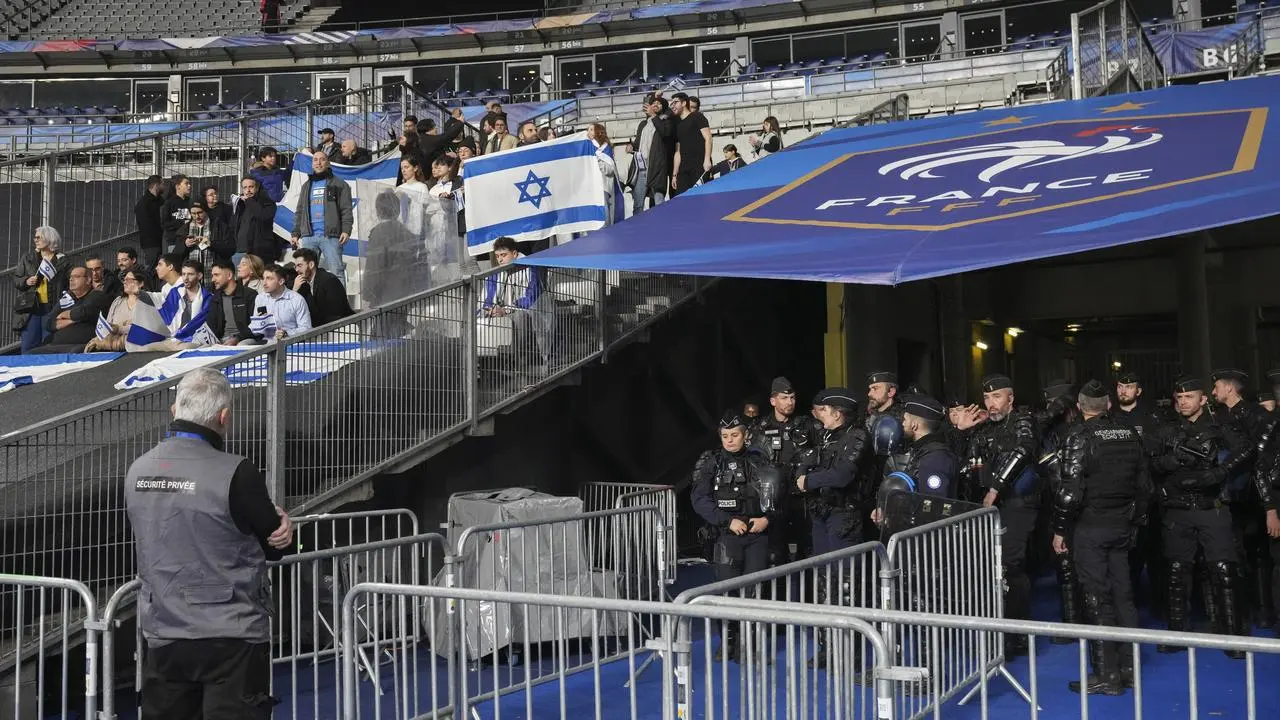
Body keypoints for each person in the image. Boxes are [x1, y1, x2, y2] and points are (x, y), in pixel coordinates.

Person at [124, 367, 293, 720]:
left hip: (163, 626)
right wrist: (284, 529)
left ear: (175, 410)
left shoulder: (138, 470)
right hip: (231, 630)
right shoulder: (238, 472)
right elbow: (277, 546)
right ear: (223, 417)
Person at [1051, 380, 1150, 694]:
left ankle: (1107, 676)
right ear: (1109, 405)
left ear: (1080, 407)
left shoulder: (1078, 437)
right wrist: (1132, 520)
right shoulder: (1130, 434)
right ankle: (1129, 668)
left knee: (1096, 597)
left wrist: (1060, 530)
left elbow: (1068, 493)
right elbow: (1144, 487)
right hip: (1122, 525)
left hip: (1091, 527)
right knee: (1123, 594)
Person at [1150, 376, 1252, 657]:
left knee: (1224, 571)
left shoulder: (1219, 426)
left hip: (1211, 507)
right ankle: (1176, 633)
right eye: (1179, 398)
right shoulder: (1166, 429)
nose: (1183, 402)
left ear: (1203, 399)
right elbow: (1150, 462)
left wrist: (1220, 472)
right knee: (1176, 572)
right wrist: (1170, 461)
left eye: (1189, 397)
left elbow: (1247, 449)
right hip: (1177, 510)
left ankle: (1233, 638)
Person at [951, 374, 1040, 657]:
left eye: (997, 397)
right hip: (986, 509)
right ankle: (998, 631)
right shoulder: (982, 428)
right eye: (987, 398)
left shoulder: (1022, 421)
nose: (991, 403)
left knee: (1010, 566)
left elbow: (1023, 450)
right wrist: (962, 431)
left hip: (1016, 504)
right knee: (989, 569)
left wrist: (996, 487)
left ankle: (1018, 634)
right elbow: (963, 464)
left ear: (1010, 399)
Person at [691, 410, 780, 660]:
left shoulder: (761, 461)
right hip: (726, 536)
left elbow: (778, 498)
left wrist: (767, 519)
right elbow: (699, 500)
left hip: (757, 535)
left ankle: (748, 644)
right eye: (725, 436)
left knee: (753, 592)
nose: (730, 440)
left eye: (735, 435)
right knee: (727, 592)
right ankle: (727, 642)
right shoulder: (711, 463)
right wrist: (727, 521)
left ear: (746, 435)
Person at [795, 387, 870, 667]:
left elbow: (842, 474)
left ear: (838, 413)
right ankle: (828, 647)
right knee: (825, 583)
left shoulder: (857, 436)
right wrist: (804, 475)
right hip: (821, 513)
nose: (819, 416)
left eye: (824, 411)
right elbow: (805, 462)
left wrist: (808, 482)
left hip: (844, 514)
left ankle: (851, 652)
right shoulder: (826, 437)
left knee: (846, 584)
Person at [1210, 368, 1273, 629]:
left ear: (1229, 389)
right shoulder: (1219, 417)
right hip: (1231, 494)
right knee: (1236, 555)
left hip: (1255, 493)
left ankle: (1263, 610)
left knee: (1260, 554)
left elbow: (1262, 457)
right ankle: (1244, 611)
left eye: (1216, 387)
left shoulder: (1257, 415)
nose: (1213, 392)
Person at [750, 376, 818, 563]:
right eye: (784, 398)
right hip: (773, 500)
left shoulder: (807, 425)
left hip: (800, 498)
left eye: (793, 398)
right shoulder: (760, 428)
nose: (790, 402)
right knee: (774, 553)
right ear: (773, 400)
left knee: (807, 552)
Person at [1037, 379, 1083, 635]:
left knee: (1084, 566)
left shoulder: (1083, 428)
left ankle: (1083, 621)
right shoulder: (1048, 431)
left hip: (1082, 504)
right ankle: (1071, 621)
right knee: (1064, 566)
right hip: (1057, 503)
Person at [482, 237, 554, 375]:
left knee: (520, 317)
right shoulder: (494, 275)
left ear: (514, 254)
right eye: (497, 256)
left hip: (525, 313)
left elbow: (530, 299)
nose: (500, 260)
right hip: (502, 314)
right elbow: (485, 301)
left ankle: (517, 361)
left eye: (504, 255)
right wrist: (490, 310)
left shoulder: (530, 269)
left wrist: (506, 310)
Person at [290, 152, 353, 287]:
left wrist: (346, 230)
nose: (318, 163)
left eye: (322, 160)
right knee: (305, 273)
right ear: (312, 164)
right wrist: (295, 233)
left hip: (330, 236)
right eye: (315, 160)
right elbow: (300, 211)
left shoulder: (339, 184)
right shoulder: (306, 186)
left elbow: (346, 209)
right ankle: (309, 305)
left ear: (328, 163)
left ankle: (339, 306)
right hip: (308, 236)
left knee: (337, 272)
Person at [364, 190, 425, 311]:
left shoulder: (378, 233)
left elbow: (374, 265)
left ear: (378, 211)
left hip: (384, 295)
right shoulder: (407, 233)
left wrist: (368, 293)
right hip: (406, 293)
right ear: (397, 211)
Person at [13, 226, 70, 353]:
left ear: (49, 238)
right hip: (31, 307)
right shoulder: (28, 258)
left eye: (39, 237)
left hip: (52, 307)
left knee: (48, 344)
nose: (35, 240)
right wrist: (26, 281)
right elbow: (16, 279)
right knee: (28, 344)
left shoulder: (63, 260)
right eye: (35, 237)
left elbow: (69, 283)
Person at [36, 265, 111, 353]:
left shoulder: (96, 295)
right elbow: (48, 323)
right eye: (71, 277)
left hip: (80, 345)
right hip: (54, 344)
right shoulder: (66, 298)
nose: (71, 279)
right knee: (29, 354)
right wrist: (73, 320)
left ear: (88, 280)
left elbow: (84, 312)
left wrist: (64, 316)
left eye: (76, 277)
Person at [628, 93, 672, 214]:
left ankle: (661, 229)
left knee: (659, 202)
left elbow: (665, 133)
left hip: (656, 167)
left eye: (659, 104)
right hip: (641, 168)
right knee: (638, 204)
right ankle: (637, 230)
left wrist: (654, 116)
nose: (656, 105)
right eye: (654, 103)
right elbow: (637, 143)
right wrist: (631, 146)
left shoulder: (665, 121)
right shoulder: (642, 124)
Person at [86, 269, 147, 352]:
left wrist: (119, 328)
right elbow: (108, 326)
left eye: (129, 280)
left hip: (134, 346)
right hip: (110, 345)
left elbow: (144, 328)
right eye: (124, 280)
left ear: (141, 283)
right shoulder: (118, 301)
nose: (125, 282)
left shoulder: (148, 302)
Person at [206, 261, 263, 346]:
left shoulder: (250, 295)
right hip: (221, 341)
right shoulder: (215, 298)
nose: (213, 279)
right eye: (212, 275)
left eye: (216, 275)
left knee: (241, 345)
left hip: (245, 338)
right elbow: (211, 327)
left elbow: (256, 325)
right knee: (202, 347)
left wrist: (237, 338)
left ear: (229, 275)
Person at [291, 247, 353, 326]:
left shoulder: (329, 281)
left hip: (339, 328)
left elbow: (336, 312)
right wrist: (294, 291)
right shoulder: (300, 284)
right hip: (316, 329)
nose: (296, 270)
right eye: (295, 266)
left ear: (311, 264)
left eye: (299, 265)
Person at [179, 203, 233, 286]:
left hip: (213, 276)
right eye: (193, 213)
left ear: (205, 211)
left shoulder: (218, 225)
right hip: (192, 277)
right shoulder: (185, 228)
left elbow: (230, 249)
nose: (197, 216)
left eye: (199, 212)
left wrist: (211, 243)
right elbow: (176, 254)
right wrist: (185, 244)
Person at [671, 93, 712, 196]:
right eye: (671, 104)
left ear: (684, 103)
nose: (672, 106)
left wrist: (707, 160)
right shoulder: (678, 124)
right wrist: (674, 175)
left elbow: (708, 138)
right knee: (683, 200)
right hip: (683, 169)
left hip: (699, 166)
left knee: (701, 198)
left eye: (675, 102)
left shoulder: (697, 116)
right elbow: (678, 152)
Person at [257, 264, 311, 340]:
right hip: (266, 342)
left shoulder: (297, 299)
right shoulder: (260, 298)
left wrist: (287, 333)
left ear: (281, 281)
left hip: (291, 342)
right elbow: (256, 330)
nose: (264, 283)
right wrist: (259, 323)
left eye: (269, 279)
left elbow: (307, 329)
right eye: (263, 278)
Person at [234, 177, 281, 265]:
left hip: (259, 251)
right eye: (245, 187)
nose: (248, 190)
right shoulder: (240, 204)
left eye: (251, 187)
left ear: (257, 188)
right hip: (240, 251)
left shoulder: (267, 203)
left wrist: (249, 201)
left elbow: (263, 216)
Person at [587, 123, 619, 226]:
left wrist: (597, 161)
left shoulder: (605, 149)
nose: (588, 132)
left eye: (591, 129)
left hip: (603, 187)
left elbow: (610, 170)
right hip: (590, 187)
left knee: (604, 216)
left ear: (598, 132)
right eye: (588, 130)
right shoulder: (587, 147)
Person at [135, 175, 165, 268]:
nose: (164, 186)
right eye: (162, 184)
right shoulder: (144, 204)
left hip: (161, 241)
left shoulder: (160, 201)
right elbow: (147, 227)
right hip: (151, 244)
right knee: (153, 269)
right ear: (156, 185)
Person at [161, 175, 193, 253]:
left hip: (189, 241)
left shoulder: (190, 201)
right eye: (186, 183)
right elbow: (165, 224)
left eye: (189, 183)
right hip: (174, 241)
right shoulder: (169, 203)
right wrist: (182, 222)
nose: (189, 186)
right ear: (178, 186)